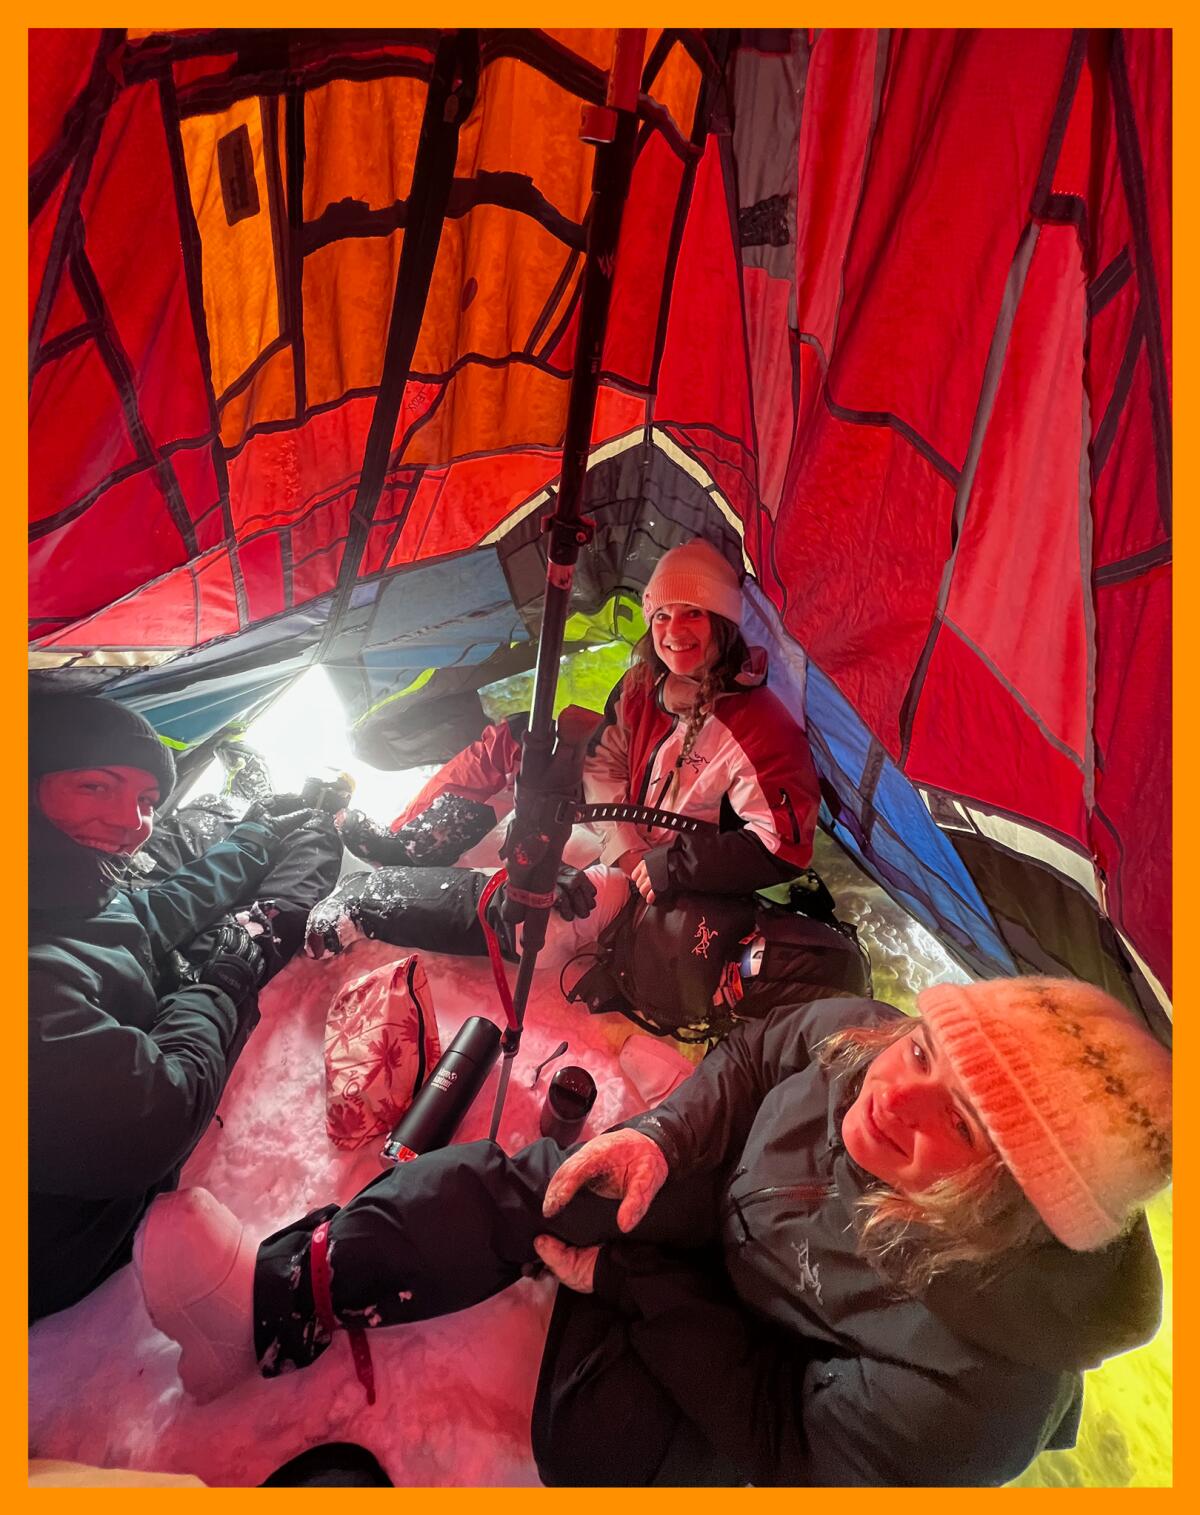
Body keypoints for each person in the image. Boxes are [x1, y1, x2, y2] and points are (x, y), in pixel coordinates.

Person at [134, 976, 1170, 1487]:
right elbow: (766, 1050)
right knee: (545, 1181)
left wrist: (630, 1284)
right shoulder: (864, 1041)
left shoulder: (977, 1399)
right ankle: (276, 1299)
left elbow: (787, 1443)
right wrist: (669, 1136)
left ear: (1016, 1206)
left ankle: (594, 1295)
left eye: (967, 1127)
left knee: (593, 1444)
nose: (899, 1098)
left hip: (773, 1376)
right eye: (929, 1054)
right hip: (724, 1212)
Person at [306, 538, 823, 972]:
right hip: (623, 826)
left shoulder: (761, 728)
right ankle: (414, 841)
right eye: (661, 615)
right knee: (523, 743)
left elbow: (783, 848)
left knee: (541, 923)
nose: (673, 631)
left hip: (665, 871)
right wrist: (620, 838)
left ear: (723, 622)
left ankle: (371, 899)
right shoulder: (646, 682)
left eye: (693, 613)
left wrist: (668, 865)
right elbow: (605, 760)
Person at [27, 692, 341, 1321]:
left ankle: (261, 810)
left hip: (128, 969)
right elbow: (158, 1112)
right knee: (280, 896)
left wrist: (254, 837)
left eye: (145, 801)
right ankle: (310, 822)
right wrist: (224, 978)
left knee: (174, 855)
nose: (129, 819)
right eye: (95, 785)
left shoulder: (62, 884)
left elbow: (143, 911)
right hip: (56, 1248)